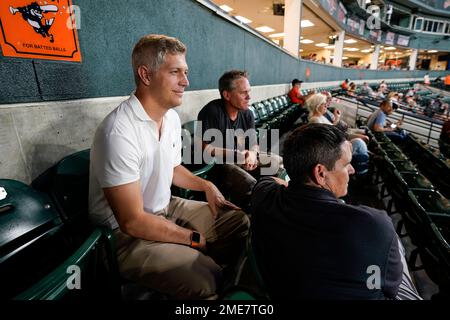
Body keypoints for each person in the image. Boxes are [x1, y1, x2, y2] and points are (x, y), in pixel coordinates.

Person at [88, 34, 250, 299]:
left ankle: (207, 272)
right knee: (206, 280)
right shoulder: (118, 131)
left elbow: (173, 168)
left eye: (185, 72)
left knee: (238, 222)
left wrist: (206, 185)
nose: (186, 82)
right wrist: (193, 239)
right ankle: (205, 277)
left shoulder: (171, 118)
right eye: (175, 72)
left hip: (166, 207)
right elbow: (132, 221)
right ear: (146, 75)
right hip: (122, 236)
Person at [251, 123, 422, 300]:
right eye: (346, 164)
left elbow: (267, 181)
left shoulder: (265, 196)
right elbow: (391, 290)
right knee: (396, 248)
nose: (352, 170)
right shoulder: (373, 224)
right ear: (320, 173)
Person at [197, 70, 283, 211]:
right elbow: (206, 149)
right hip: (219, 163)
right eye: (243, 93)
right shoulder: (211, 111)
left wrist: (252, 154)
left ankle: (277, 204)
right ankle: (252, 214)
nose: (249, 97)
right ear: (227, 95)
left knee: (277, 162)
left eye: (249, 91)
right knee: (248, 183)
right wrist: (236, 154)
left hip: (241, 156)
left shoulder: (247, 113)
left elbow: (254, 143)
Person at [306, 93, 369, 171]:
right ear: (317, 106)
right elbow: (326, 139)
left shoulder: (320, 117)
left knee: (360, 145)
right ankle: (362, 171)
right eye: (323, 104)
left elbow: (332, 131)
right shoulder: (315, 119)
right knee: (359, 143)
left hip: (337, 144)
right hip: (333, 150)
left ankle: (361, 168)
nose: (326, 105)